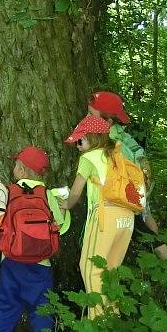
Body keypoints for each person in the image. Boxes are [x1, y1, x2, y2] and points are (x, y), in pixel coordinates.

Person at [0, 146, 70, 332]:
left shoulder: (8, 192)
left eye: (15, 165)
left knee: (4, 306)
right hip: (41, 264)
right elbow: (61, 227)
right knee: (42, 305)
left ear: (21, 169)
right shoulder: (47, 195)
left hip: (11, 261)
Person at [60, 116, 135, 319]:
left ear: (92, 138)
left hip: (105, 215)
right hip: (127, 217)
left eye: (80, 140)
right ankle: (112, 319)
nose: (77, 145)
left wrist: (65, 205)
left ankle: (98, 325)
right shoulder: (118, 156)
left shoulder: (89, 158)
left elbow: (76, 193)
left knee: (91, 268)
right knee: (111, 272)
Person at [88, 91, 167, 261]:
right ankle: (159, 260)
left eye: (91, 114)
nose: (87, 117)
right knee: (147, 216)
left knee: (140, 229)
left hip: (128, 194)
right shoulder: (121, 133)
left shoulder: (108, 141)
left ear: (108, 121)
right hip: (141, 186)